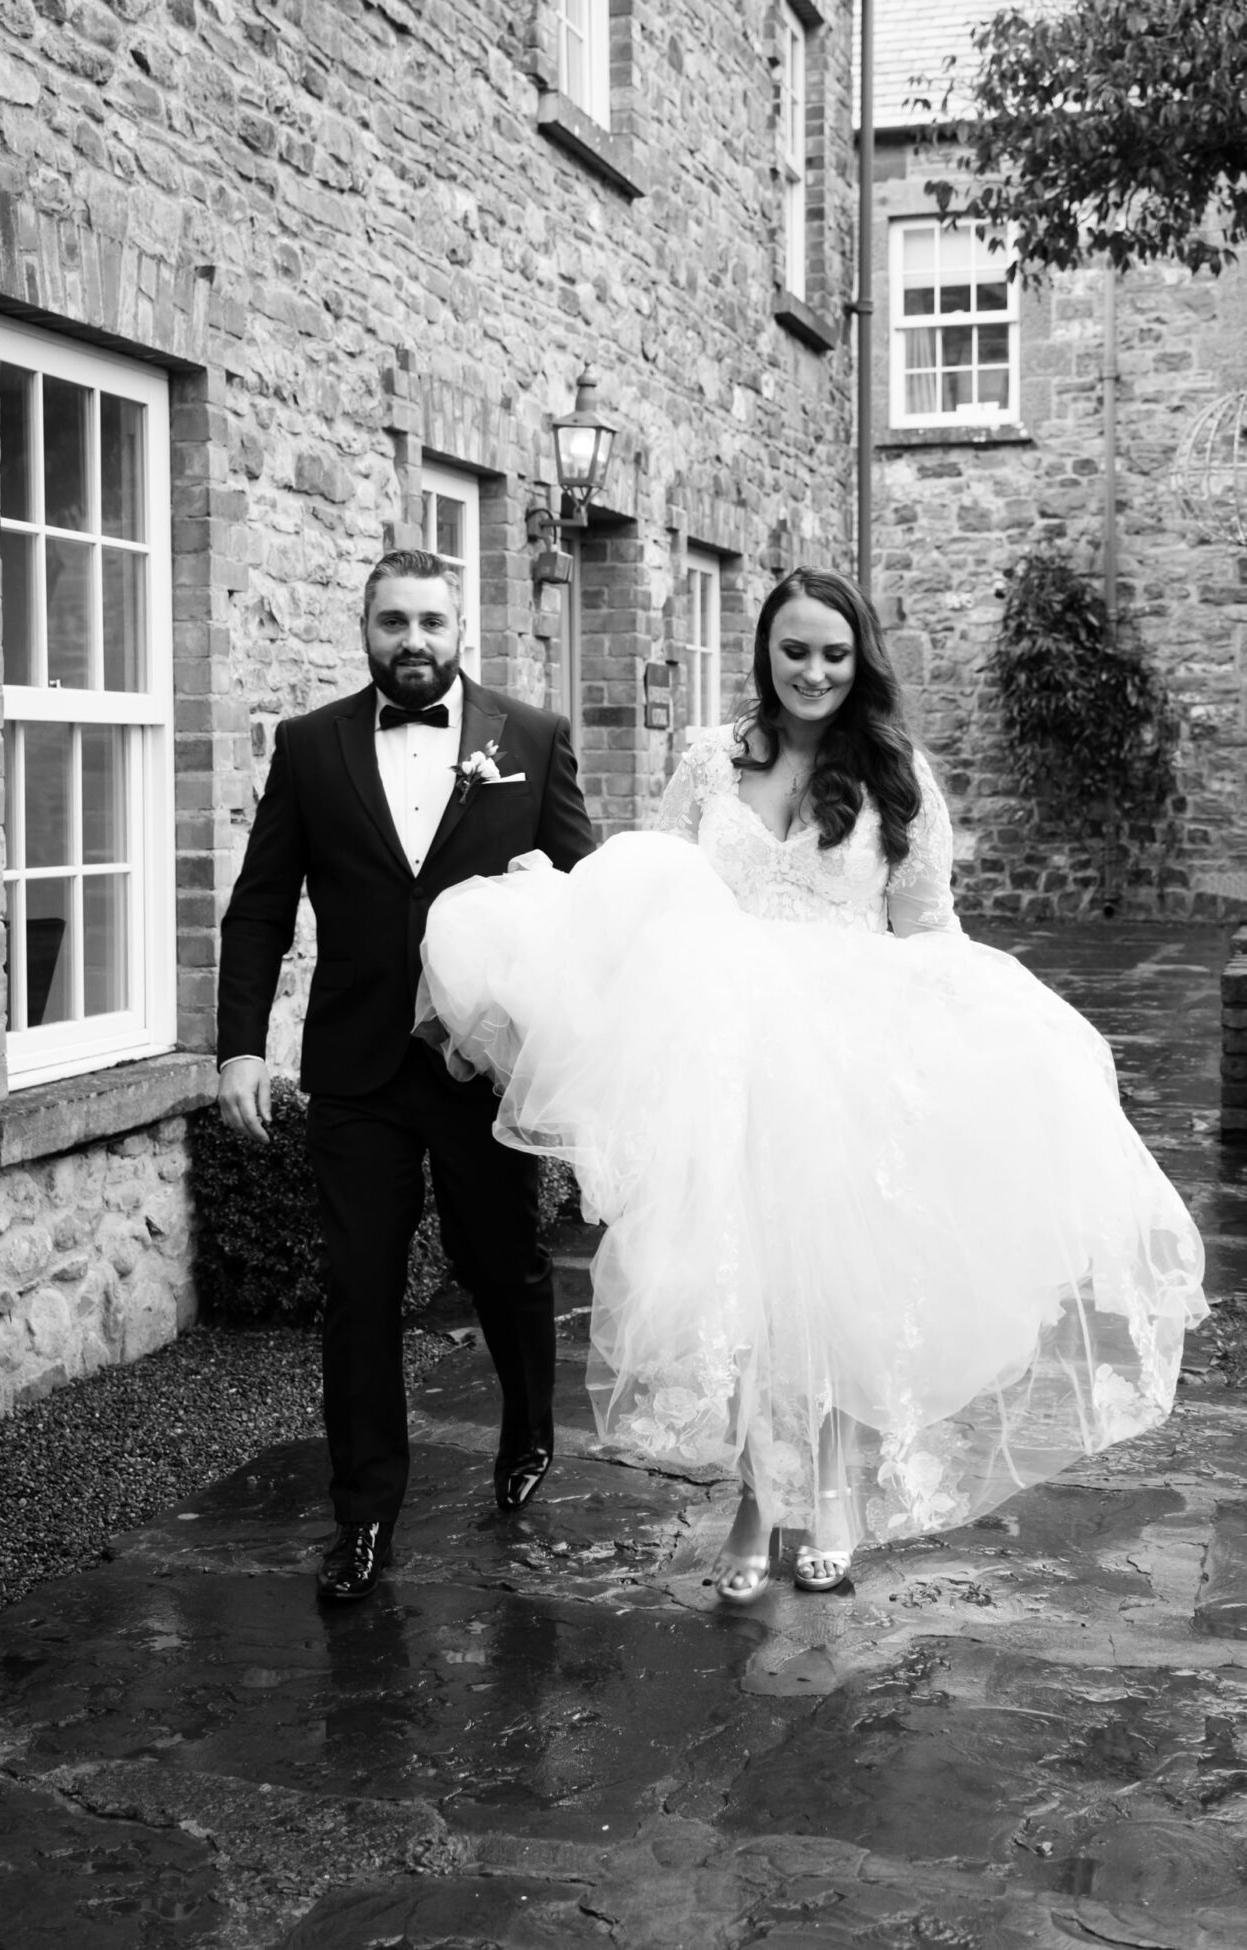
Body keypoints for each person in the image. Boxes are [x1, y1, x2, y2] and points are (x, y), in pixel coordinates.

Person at [416, 566, 1207, 1605]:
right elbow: (653, 886)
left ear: (859, 658)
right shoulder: (709, 761)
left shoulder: (895, 774)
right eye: (795, 650)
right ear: (765, 654)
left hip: (846, 1061)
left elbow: (928, 928)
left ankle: (829, 1495)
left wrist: (978, 1032)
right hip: (725, 1060)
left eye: (834, 653)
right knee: (743, 1287)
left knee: (832, 1287)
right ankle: (755, 1503)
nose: (814, 671)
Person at [216, 547, 594, 1603]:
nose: (412, 642)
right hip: (356, 1064)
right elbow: (260, 903)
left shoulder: (530, 738)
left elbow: (582, 898)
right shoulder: (308, 747)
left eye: (431, 622)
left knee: (502, 1264)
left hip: (479, 1065)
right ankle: (364, 1518)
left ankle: (527, 1432)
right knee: (359, 1292)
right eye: (393, 623)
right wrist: (240, 1044)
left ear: (460, 627)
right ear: (366, 628)